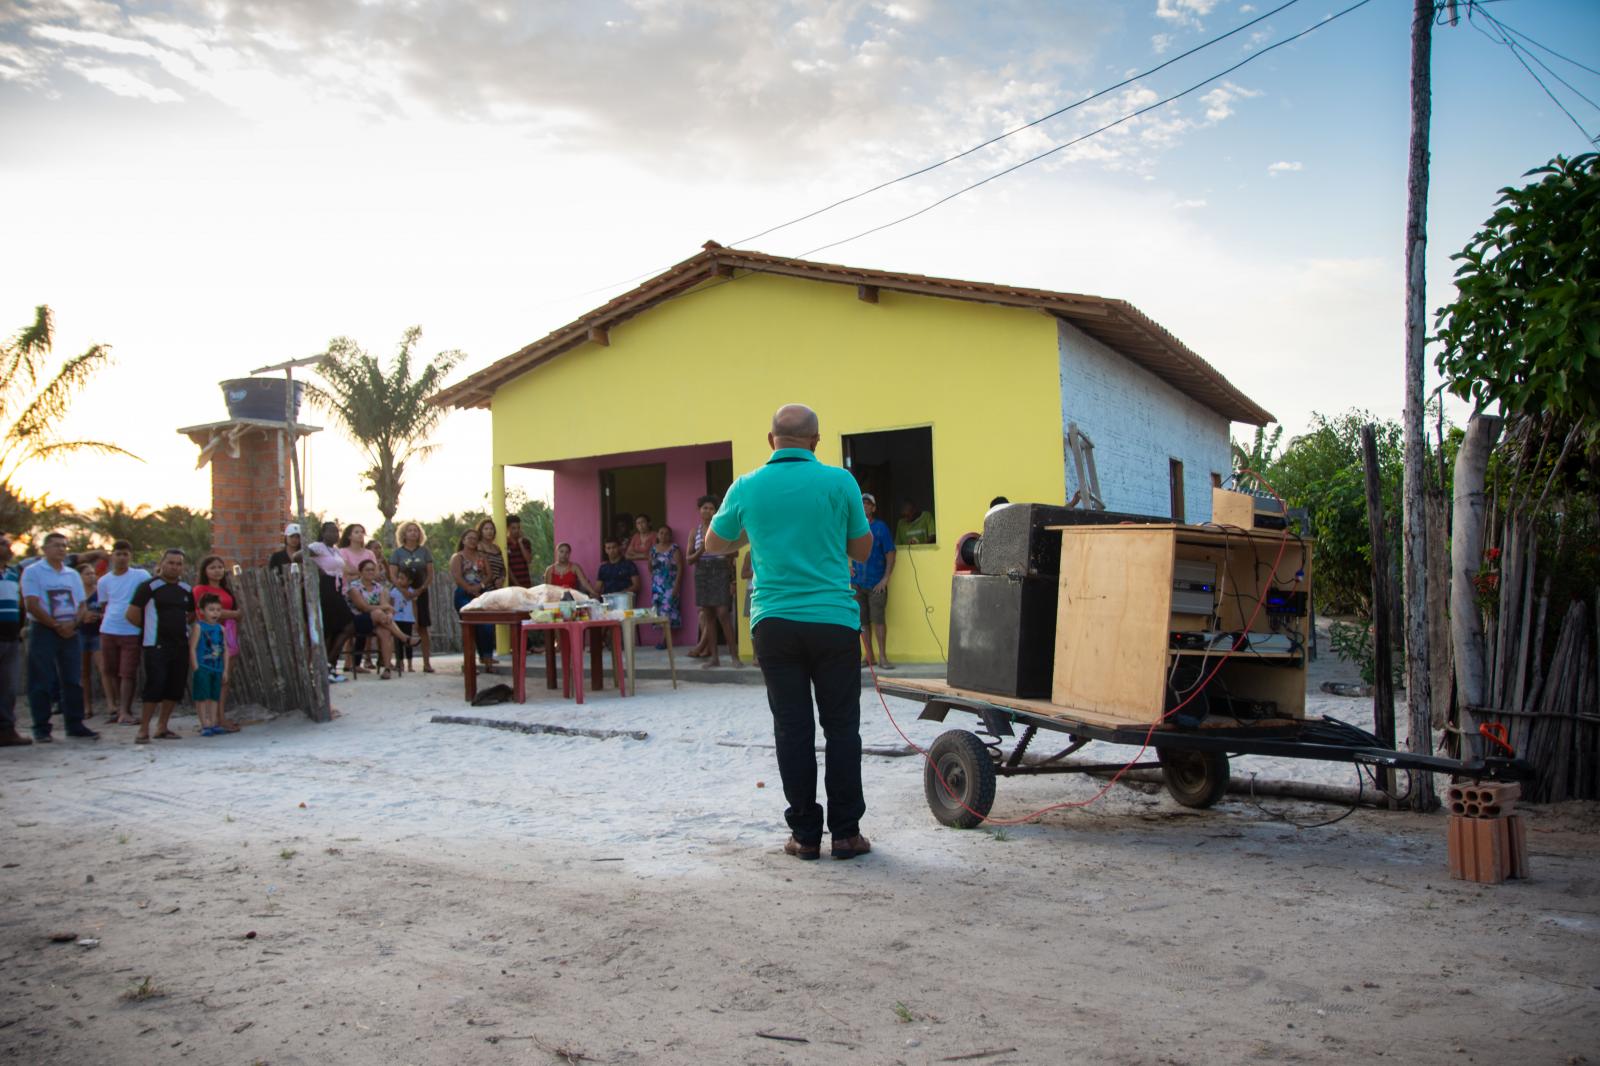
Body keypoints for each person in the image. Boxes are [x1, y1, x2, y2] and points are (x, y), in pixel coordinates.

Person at [705, 404, 874, 862]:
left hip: (774, 623)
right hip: (834, 621)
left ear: (770, 440)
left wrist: (756, 534)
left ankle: (804, 835)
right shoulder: (841, 482)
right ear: (817, 442)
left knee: (792, 728)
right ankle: (846, 834)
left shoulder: (748, 485)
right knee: (842, 729)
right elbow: (861, 549)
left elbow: (713, 543)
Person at [21, 531, 95, 742]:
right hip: (44, 630)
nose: (61, 549)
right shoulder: (33, 572)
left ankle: (75, 724)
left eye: (64, 545)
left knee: (73, 679)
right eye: (55, 545)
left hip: (70, 630)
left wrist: (73, 623)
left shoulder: (71, 574)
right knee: (41, 679)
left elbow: (81, 604)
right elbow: (32, 604)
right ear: (44, 549)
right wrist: (54, 625)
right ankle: (42, 728)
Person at [129, 548, 195, 743]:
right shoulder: (149, 587)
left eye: (178, 563)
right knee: (154, 686)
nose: (174, 567)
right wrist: (151, 628)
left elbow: (191, 615)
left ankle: (162, 726)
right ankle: (143, 729)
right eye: (171, 562)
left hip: (180, 644)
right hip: (156, 644)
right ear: (162, 563)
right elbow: (132, 614)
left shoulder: (186, 589)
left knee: (175, 687)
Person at [95, 540, 149, 725]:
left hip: (131, 629)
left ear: (130, 556)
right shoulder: (104, 581)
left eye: (126, 554)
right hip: (109, 629)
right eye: (118, 554)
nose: (122, 557)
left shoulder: (140, 575)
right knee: (111, 670)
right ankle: (120, 708)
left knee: (128, 672)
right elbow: (104, 605)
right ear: (113, 555)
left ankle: (125, 710)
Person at [687, 494, 742, 669]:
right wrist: (703, 549)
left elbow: (735, 553)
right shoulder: (694, 532)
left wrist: (719, 548)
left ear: (716, 511)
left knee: (723, 614)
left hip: (720, 571)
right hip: (702, 573)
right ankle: (714, 658)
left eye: (711, 508)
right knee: (708, 616)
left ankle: (735, 657)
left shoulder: (722, 529)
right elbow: (689, 559)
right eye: (705, 508)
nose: (708, 511)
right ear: (699, 510)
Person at [193, 555, 243, 731]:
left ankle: (220, 717)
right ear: (205, 571)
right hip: (209, 637)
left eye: (220, 567)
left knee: (225, 678)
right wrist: (234, 614)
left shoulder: (226, 590)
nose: (217, 571)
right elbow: (207, 613)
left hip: (227, 634)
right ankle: (210, 720)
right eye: (212, 567)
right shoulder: (200, 589)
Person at [305, 521, 356, 683]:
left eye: (337, 532)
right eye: (331, 531)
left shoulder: (335, 551)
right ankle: (325, 668)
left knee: (345, 627)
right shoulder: (317, 546)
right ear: (323, 532)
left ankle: (329, 665)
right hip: (324, 587)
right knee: (333, 629)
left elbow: (345, 569)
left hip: (336, 588)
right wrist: (316, 567)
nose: (335, 534)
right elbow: (298, 555)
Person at [851, 493, 897, 669]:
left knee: (878, 620)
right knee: (862, 622)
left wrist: (885, 578)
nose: (864, 506)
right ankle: (869, 657)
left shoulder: (880, 528)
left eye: (868, 504)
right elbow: (840, 547)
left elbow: (891, 553)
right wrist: (847, 566)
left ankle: (883, 657)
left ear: (873, 508)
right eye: (861, 503)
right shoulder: (853, 528)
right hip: (857, 583)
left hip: (876, 583)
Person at [347, 559, 414, 679]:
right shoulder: (354, 587)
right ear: (360, 571)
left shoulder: (379, 587)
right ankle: (404, 638)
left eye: (373, 569)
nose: (370, 572)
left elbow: (386, 606)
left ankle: (387, 668)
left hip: (377, 621)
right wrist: (385, 607)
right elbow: (364, 607)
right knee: (378, 612)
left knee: (385, 631)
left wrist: (388, 614)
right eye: (367, 569)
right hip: (358, 620)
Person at [388, 521, 436, 673]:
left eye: (416, 530)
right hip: (401, 594)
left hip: (420, 592)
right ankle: (399, 662)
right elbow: (393, 575)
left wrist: (420, 589)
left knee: (422, 626)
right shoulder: (397, 553)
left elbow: (430, 574)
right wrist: (403, 590)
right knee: (400, 627)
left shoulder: (424, 552)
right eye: (409, 530)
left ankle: (426, 662)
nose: (413, 533)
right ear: (404, 533)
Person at [450, 528, 496, 672]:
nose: (472, 541)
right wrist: (470, 589)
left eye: (475, 538)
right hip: (464, 594)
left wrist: (480, 586)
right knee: (469, 627)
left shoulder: (482, 557)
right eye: (469, 538)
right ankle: (469, 663)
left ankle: (487, 658)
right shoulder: (458, 557)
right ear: (463, 540)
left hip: (481, 593)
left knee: (487, 625)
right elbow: (457, 576)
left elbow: (489, 574)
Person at [0, 534, 30, 746]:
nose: (8, 547)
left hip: (10, 637)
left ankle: (6, 730)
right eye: (2, 543)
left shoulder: (11, 574)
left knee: (7, 687)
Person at [190, 594, 229, 736]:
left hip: (217, 668)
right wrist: (196, 668)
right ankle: (204, 724)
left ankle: (213, 722)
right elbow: (193, 648)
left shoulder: (221, 629)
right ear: (202, 611)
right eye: (211, 609)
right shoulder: (199, 627)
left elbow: (225, 649)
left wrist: (225, 670)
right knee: (202, 697)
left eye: (218, 610)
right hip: (203, 667)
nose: (215, 613)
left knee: (214, 696)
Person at [77, 564, 107, 716]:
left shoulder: (99, 593)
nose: (92, 576)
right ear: (80, 576)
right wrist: (83, 616)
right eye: (87, 574)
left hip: (97, 633)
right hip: (81, 633)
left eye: (93, 573)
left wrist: (99, 616)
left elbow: (107, 610)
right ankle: (87, 707)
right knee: (84, 673)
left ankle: (111, 704)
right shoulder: (77, 594)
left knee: (103, 668)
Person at [647, 524, 682, 649]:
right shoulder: (653, 549)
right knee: (659, 611)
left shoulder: (674, 548)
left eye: (666, 533)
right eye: (661, 533)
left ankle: (665, 640)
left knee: (669, 611)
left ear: (670, 536)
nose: (663, 535)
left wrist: (677, 585)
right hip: (657, 586)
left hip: (670, 585)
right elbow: (650, 567)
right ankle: (664, 639)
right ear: (657, 535)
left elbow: (680, 568)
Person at [389, 568, 420, 672]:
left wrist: (415, 620)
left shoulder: (412, 592)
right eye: (398, 578)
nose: (399, 580)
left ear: (410, 581)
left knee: (408, 642)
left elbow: (415, 606)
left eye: (402, 578)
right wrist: (391, 616)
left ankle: (410, 665)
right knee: (398, 642)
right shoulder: (394, 591)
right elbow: (391, 605)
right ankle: (400, 663)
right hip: (396, 619)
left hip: (408, 619)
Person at [504, 515, 536, 588]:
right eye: (513, 528)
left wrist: (520, 543)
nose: (516, 530)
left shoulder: (525, 542)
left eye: (518, 527)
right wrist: (517, 584)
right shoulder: (504, 543)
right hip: (511, 585)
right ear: (508, 528)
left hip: (526, 581)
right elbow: (507, 567)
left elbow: (528, 560)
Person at [475, 518, 507, 592]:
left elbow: (503, 568)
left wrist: (501, 579)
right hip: (485, 586)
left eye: (491, 529)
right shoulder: (479, 546)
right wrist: (495, 580)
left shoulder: (497, 548)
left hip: (498, 586)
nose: (489, 531)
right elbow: (481, 569)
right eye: (486, 529)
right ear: (481, 531)